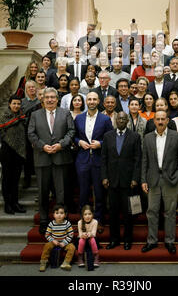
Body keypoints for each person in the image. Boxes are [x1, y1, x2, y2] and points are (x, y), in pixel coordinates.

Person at [28, 87, 75, 234]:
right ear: (43, 99)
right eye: (47, 97)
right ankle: (43, 220)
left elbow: (71, 131)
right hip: (42, 158)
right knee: (42, 191)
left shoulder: (65, 113)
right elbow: (31, 133)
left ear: (57, 99)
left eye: (52, 97)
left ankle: (61, 220)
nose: (49, 100)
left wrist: (61, 144)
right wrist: (43, 146)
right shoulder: (35, 115)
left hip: (61, 158)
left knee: (61, 192)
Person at [141, 110, 178, 254]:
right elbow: (144, 161)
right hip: (153, 179)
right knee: (152, 211)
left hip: (171, 180)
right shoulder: (148, 138)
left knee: (170, 212)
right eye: (158, 119)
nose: (160, 122)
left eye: (163, 119)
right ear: (154, 121)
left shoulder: (177, 137)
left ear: (167, 120)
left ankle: (169, 241)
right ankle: (152, 241)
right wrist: (143, 179)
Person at [101, 111, 141, 250]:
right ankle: (114, 239)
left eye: (124, 119)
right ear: (115, 120)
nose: (122, 121)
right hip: (111, 181)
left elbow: (137, 160)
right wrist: (104, 177)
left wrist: (136, 178)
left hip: (128, 182)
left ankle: (127, 240)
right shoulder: (107, 136)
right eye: (119, 119)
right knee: (113, 213)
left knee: (128, 214)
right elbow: (104, 159)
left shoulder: (135, 137)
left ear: (128, 121)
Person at [74, 92, 113, 230]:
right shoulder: (78, 118)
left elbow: (111, 139)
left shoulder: (105, 119)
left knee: (99, 192)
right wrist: (79, 143)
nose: (91, 101)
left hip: (98, 161)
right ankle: (84, 222)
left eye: (94, 99)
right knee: (83, 192)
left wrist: (100, 144)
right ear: (86, 101)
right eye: (89, 99)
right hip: (82, 160)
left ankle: (98, 220)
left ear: (98, 101)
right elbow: (74, 136)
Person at [0, 95, 27, 214]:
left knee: (16, 179)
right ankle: (7, 204)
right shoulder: (4, 116)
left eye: (18, 104)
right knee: (7, 179)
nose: (16, 106)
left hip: (19, 152)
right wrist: (6, 139)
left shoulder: (22, 116)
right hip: (7, 151)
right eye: (14, 103)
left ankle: (15, 203)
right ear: (9, 104)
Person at [39, 203, 75, 272]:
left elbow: (71, 234)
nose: (59, 215)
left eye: (61, 213)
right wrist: (53, 240)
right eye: (57, 213)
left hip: (64, 242)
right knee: (47, 246)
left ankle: (66, 263)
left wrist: (64, 242)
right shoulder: (51, 224)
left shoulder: (67, 223)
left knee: (72, 247)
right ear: (53, 215)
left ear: (65, 215)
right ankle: (43, 262)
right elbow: (47, 234)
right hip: (54, 242)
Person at [21, 80, 41, 188]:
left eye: (33, 87)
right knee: (27, 156)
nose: (32, 89)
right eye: (29, 87)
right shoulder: (22, 102)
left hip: (38, 133)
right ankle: (27, 178)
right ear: (26, 89)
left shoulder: (40, 102)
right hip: (25, 133)